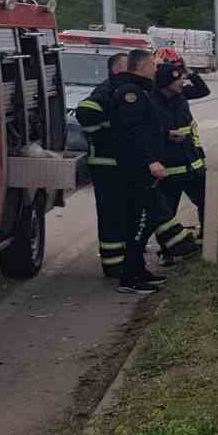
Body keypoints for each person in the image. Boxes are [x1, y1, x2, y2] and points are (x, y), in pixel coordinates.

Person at [109, 50, 194, 293]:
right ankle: (130, 279)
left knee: (143, 221)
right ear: (143, 66)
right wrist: (151, 162)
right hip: (137, 171)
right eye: (154, 66)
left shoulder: (140, 91)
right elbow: (133, 133)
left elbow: (147, 129)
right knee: (139, 223)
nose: (157, 71)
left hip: (140, 168)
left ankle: (137, 271)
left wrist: (166, 135)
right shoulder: (131, 93)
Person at [147, 53, 211, 262]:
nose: (182, 82)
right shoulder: (150, 101)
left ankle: (207, 243)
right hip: (169, 169)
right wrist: (166, 134)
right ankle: (168, 252)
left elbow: (203, 90)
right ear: (166, 83)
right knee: (167, 213)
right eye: (178, 79)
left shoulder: (181, 96)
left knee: (208, 203)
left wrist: (190, 71)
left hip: (191, 164)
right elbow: (145, 130)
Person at [74, 52, 129, 277]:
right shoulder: (106, 91)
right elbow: (85, 112)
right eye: (128, 66)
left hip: (120, 164)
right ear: (116, 70)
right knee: (111, 217)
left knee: (123, 214)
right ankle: (113, 266)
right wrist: (108, 130)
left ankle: (122, 259)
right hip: (107, 165)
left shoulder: (124, 90)